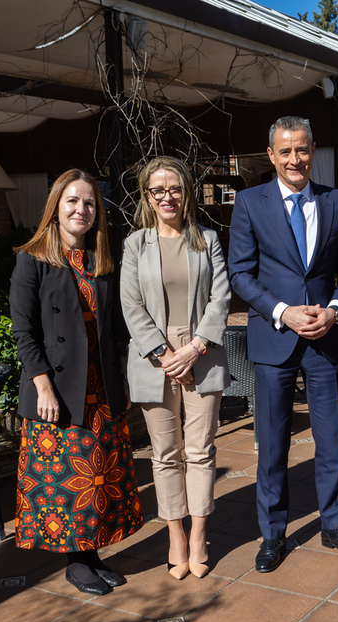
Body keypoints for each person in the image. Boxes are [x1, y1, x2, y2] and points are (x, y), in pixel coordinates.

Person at [228, 116, 338, 573]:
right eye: (285, 151)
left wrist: (334, 309)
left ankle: (334, 524)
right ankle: (272, 533)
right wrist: (282, 312)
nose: (295, 159)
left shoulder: (336, 201)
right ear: (271, 155)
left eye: (302, 149)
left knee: (331, 442)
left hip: (326, 339)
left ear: (313, 151)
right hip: (274, 339)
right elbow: (240, 274)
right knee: (272, 446)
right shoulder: (250, 203)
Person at [10, 168, 143, 596]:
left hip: (100, 387)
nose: (80, 210)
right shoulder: (32, 259)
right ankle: (75, 563)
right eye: (72, 201)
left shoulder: (102, 261)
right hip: (58, 391)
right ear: (55, 208)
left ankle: (91, 554)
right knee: (65, 481)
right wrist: (43, 386)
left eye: (88, 203)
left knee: (96, 477)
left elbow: (116, 330)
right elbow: (23, 331)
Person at [120, 156, 231, 580]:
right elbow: (130, 304)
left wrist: (196, 347)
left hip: (202, 350)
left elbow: (221, 298)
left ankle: (200, 533)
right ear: (147, 196)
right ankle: (175, 536)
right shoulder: (135, 244)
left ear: (187, 193)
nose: (167, 197)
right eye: (158, 190)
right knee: (165, 455)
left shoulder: (207, 238)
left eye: (175, 189)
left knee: (201, 451)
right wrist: (166, 355)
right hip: (155, 356)